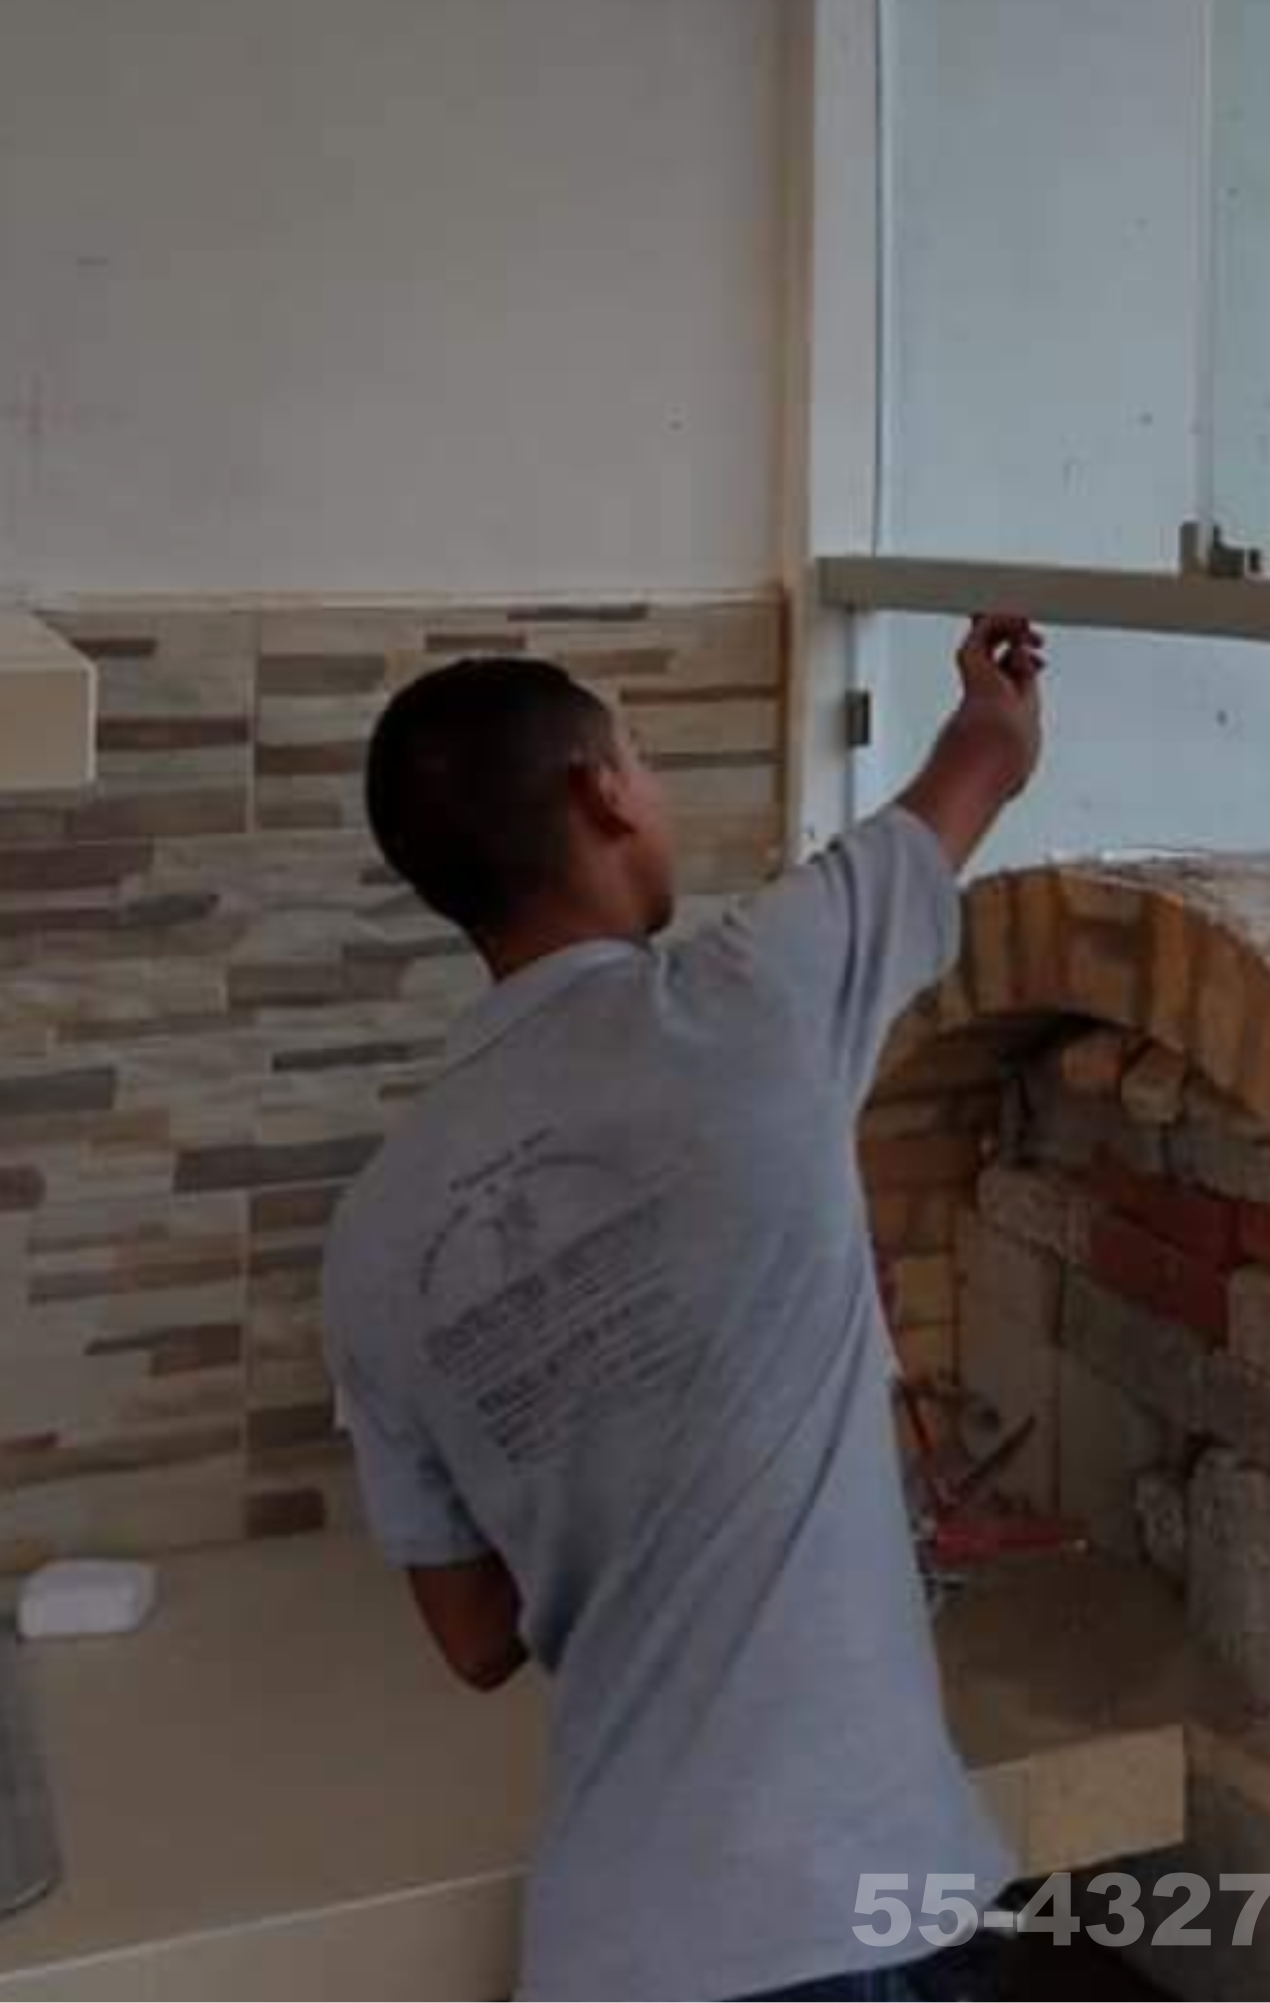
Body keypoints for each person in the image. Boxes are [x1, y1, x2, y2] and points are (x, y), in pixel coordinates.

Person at [321, 616, 1048, 2003]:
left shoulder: (373, 1233)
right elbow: (982, 766)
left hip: (604, 1945)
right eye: (641, 758)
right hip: (850, 1918)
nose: (652, 788)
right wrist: (995, 693)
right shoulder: (753, 994)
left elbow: (473, 1635)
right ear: (602, 793)